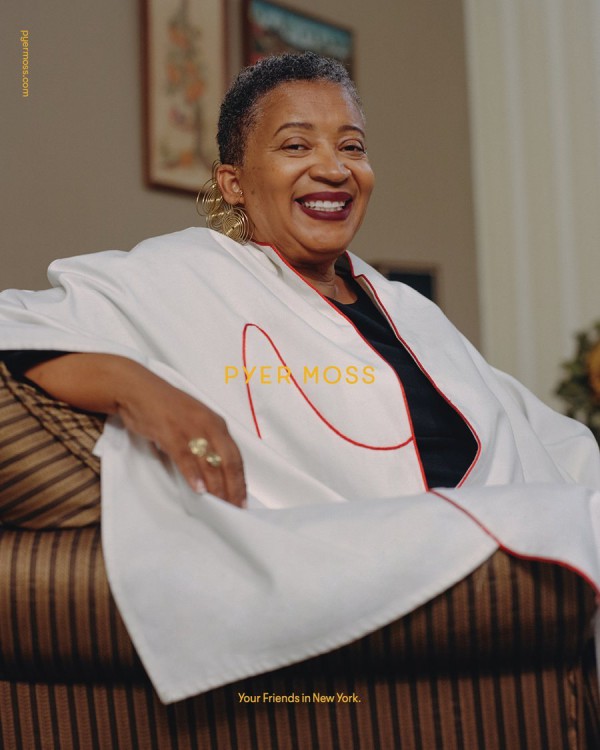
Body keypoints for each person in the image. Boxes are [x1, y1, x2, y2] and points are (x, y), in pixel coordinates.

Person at [0, 52, 599, 704]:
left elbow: (534, 431)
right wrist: (140, 388)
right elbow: (15, 321)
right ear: (233, 183)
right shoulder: (188, 272)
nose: (335, 168)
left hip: (506, 527)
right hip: (368, 551)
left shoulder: (407, 308)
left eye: (352, 146)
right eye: (296, 145)